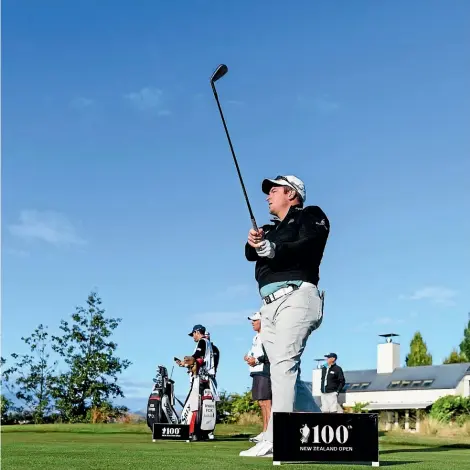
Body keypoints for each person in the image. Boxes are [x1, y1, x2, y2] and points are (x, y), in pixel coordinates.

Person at [240, 175, 330, 457]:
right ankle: (318, 430)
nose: (268, 196)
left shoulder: (310, 216)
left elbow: (311, 244)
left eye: (274, 191)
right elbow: (250, 255)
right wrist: (254, 241)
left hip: (298, 295)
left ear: (291, 194)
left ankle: (276, 436)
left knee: (283, 364)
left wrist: (276, 248)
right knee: (283, 368)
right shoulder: (270, 228)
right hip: (269, 305)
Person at [176, 324, 218, 440]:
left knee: (194, 405)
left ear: (197, 332)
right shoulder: (209, 345)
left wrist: (186, 362)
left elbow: (196, 357)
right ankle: (203, 432)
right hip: (207, 379)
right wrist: (184, 364)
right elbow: (200, 361)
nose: (193, 337)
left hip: (200, 378)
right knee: (203, 406)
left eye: (193, 334)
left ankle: (192, 432)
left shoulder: (202, 341)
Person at [243, 311, 272, 444]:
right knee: (261, 402)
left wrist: (257, 360)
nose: (252, 323)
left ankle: (269, 432)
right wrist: (248, 358)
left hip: (265, 372)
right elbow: (254, 353)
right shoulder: (256, 337)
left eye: (255, 320)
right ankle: (265, 431)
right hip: (256, 372)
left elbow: (270, 355)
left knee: (266, 402)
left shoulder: (267, 335)